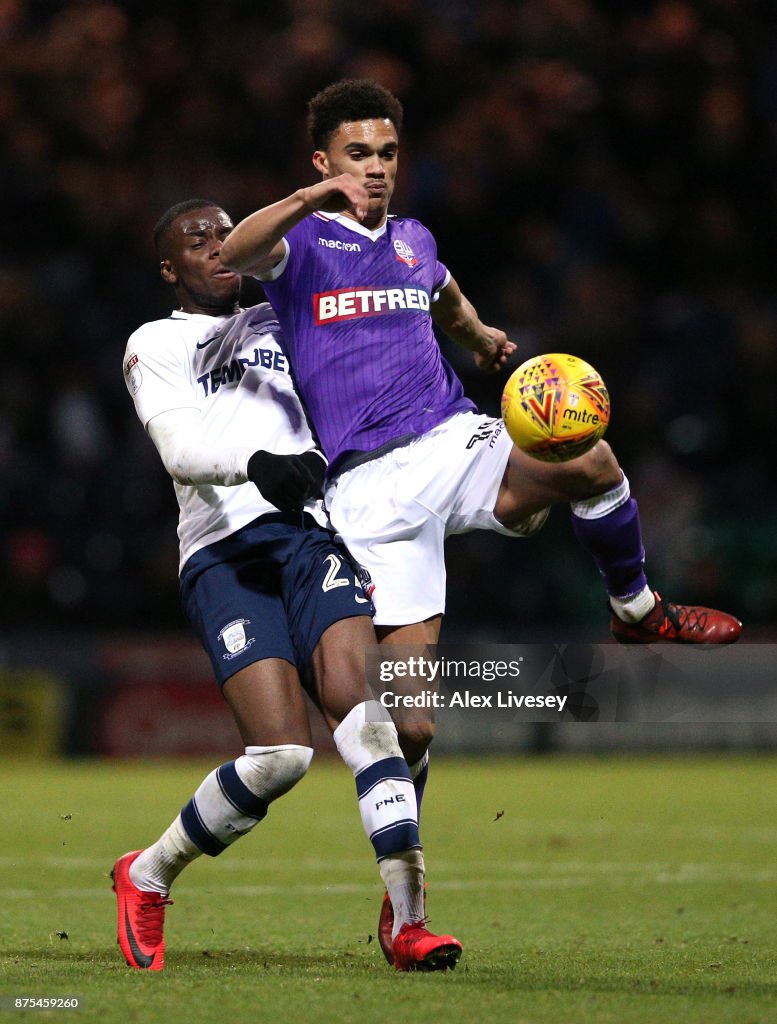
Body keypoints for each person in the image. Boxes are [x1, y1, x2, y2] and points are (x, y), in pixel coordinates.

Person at [219, 78, 743, 958]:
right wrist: (315, 200)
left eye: (386, 154)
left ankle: (636, 610)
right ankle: (405, 916)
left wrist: (482, 337)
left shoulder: (416, 241)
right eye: (357, 155)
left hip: (456, 438)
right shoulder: (300, 245)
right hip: (368, 495)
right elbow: (236, 248)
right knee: (410, 722)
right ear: (321, 161)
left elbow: (447, 298)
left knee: (591, 459)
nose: (376, 170)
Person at [112, 199, 462, 973]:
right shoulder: (157, 341)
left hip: (310, 538)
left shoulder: (287, 316)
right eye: (196, 241)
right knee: (280, 757)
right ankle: (146, 875)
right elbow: (177, 449)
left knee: (372, 718)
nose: (217, 246)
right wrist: (257, 467)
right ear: (170, 269)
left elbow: (388, 320)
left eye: (223, 231)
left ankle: (409, 920)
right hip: (225, 553)